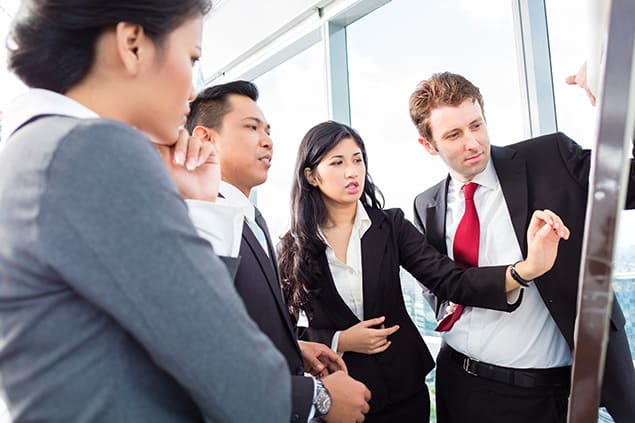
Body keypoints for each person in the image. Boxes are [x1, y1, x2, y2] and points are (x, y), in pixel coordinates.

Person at [0, 1, 293, 422]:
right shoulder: (91, 150)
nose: (192, 91)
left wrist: (198, 204)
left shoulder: (32, 149)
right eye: (192, 57)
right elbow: (253, 388)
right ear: (133, 44)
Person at [277, 120, 571, 422]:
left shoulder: (391, 226)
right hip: (342, 400)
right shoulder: (293, 246)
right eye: (337, 163)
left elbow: (449, 280)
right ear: (311, 176)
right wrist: (339, 340)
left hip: (405, 393)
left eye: (357, 159)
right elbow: (278, 332)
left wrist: (525, 270)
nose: (352, 171)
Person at [409, 71, 635, 423]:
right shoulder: (427, 206)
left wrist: (622, 97)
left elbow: (631, 182)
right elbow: (438, 293)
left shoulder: (551, 159)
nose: (473, 142)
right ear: (429, 145)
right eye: (453, 134)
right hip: (462, 385)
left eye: (476, 124)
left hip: (549, 393)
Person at [183, 80, 372, 423]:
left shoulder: (252, 218)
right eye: (251, 127)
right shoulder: (199, 222)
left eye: (268, 129)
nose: (267, 140)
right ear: (205, 138)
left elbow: (241, 321)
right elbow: (200, 356)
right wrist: (318, 398)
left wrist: (292, 348)